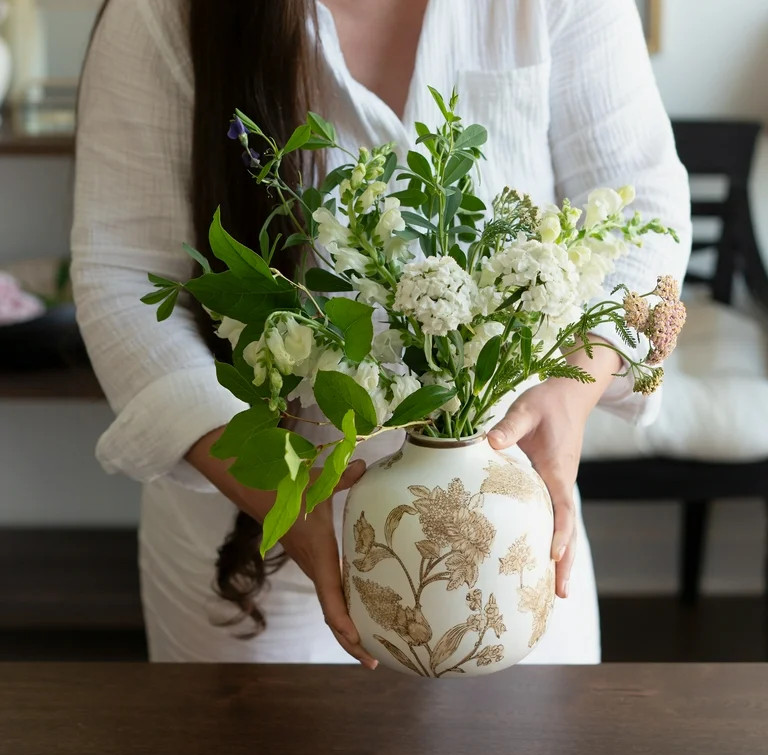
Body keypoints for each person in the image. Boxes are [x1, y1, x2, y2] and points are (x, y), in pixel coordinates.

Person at [71, 0, 690, 664]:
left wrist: (574, 390)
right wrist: (277, 494)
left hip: (507, 542)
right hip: (260, 561)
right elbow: (124, 279)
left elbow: (644, 213)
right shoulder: (162, 14)